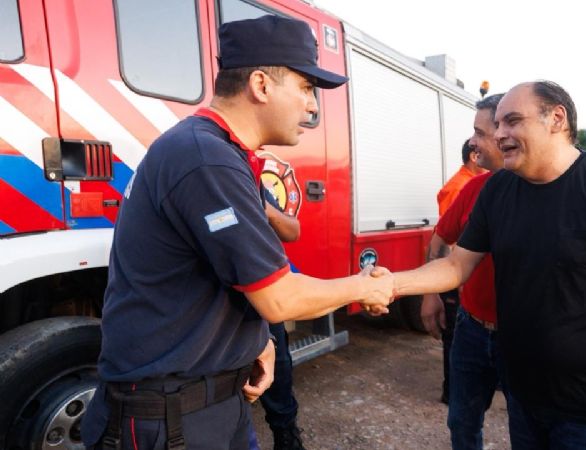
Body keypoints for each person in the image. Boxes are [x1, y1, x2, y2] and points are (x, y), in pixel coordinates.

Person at [81, 15, 394, 450]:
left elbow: (218, 275)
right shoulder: (206, 159)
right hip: (169, 418)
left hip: (211, 405)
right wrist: (363, 285)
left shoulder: (218, 151)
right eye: (305, 88)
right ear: (262, 85)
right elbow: (279, 297)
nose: (312, 106)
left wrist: (257, 341)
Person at [384, 81, 586, 449]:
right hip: (525, 397)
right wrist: (389, 284)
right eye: (496, 125)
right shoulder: (497, 190)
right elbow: (456, 266)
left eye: (511, 121)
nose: (499, 135)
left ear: (556, 118)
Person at [420, 94, 510, 449]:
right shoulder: (473, 188)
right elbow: (440, 241)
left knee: (526, 424)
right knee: (461, 421)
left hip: (519, 337)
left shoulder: (546, 192)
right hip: (471, 330)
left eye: (479, 132)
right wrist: (431, 294)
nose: (473, 142)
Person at [433, 139, 484, 405]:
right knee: (454, 336)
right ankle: (451, 391)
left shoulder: (472, 182)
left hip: (462, 274)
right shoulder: (460, 187)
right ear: (475, 156)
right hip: (457, 275)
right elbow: (449, 237)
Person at [259, 190, 306, 450]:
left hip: (262, 301)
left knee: (279, 369)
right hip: (219, 304)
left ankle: (287, 438)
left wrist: (263, 207)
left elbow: (293, 231)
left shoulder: (254, 183)